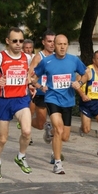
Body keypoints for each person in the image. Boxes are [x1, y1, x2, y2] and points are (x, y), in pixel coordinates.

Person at [30, 34, 87, 175]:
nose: (62, 47)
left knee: (64, 136)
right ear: (54, 45)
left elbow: (87, 74)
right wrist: (39, 86)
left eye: (65, 44)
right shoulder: (46, 61)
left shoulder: (74, 60)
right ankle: (57, 163)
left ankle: (52, 141)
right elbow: (33, 78)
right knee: (59, 128)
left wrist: (79, 82)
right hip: (52, 99)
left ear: (67, 45)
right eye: (59, 44)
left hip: (68, 101)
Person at [0, 27, 34, 179]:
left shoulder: (28, 58)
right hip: (4, 101)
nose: (18, 44)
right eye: (15, 41)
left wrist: (31, 81)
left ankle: (21, 156)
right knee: (3, 139)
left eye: (21, 41)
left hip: (21, 99)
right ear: (7, 41)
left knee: (26, 131)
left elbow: (33, 76)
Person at [27, 31, 60, 162]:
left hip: (56, 94)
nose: (52, 44)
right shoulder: (39, 57)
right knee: (40, 124)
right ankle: (27, 122)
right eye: (49, 41)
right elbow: (30, 74)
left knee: (57, 126)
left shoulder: (59, 56)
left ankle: (54, 154)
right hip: (41, 94)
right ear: (44, 42)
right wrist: (38, 85)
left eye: (54, 41)